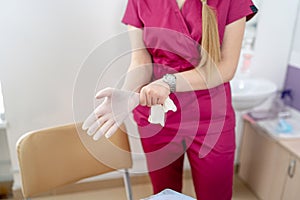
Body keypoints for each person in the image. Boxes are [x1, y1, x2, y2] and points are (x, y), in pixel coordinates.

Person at [83, 0, 257, 199]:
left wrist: (168, 83)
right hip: (158, 116)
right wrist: (127, 93)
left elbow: (225, 67)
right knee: (165, 195)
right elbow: (141, 60)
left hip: (210, 117)